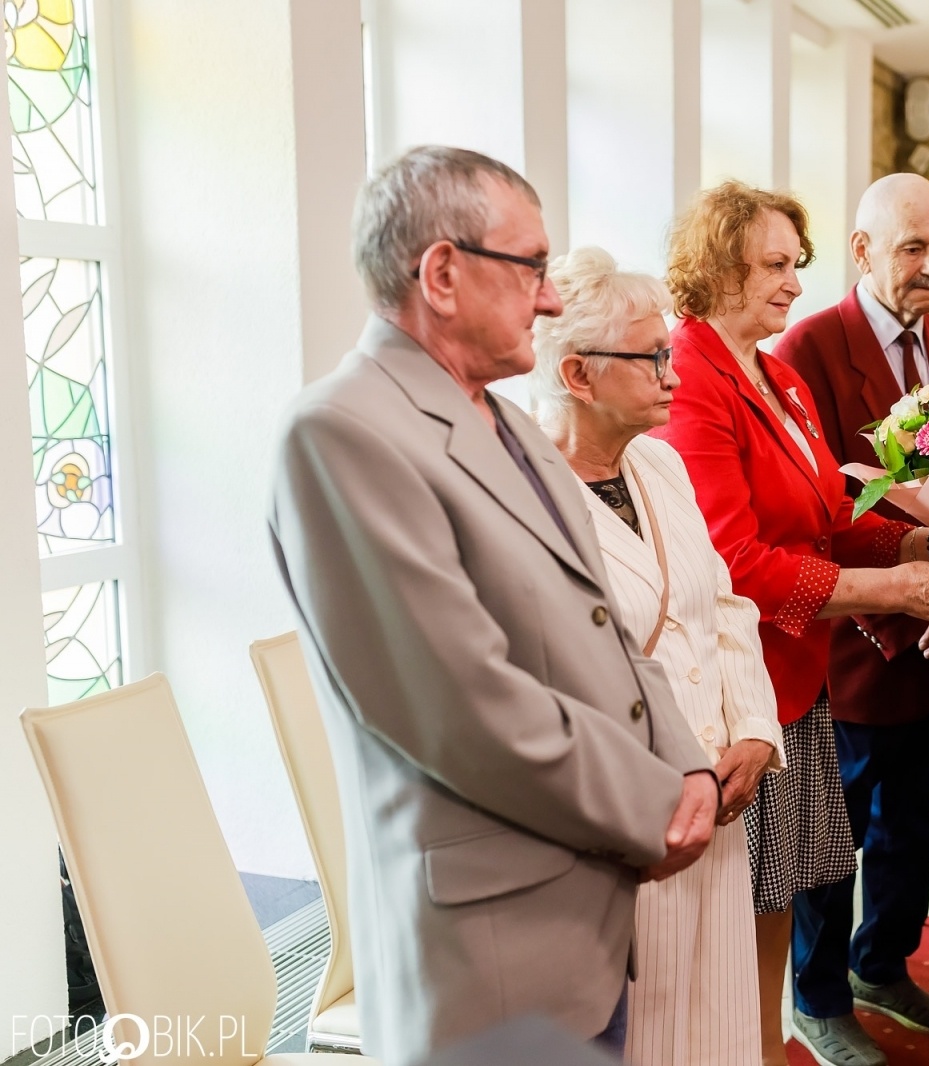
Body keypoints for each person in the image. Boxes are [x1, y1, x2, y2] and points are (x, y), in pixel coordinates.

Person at [268, 147, 718, 1066]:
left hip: (583, 911)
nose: (550, 300)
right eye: (532, 269)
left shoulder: (509, 420)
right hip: (489, 942)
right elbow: (461, 706)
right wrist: (654, 804)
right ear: (441, 273)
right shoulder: (341, 433)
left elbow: (607, 623)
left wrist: (688, 763)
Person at [655, 180, 929, 1066]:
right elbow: (735, 560)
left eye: (795, 265)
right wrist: (895, 591)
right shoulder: (693, 373)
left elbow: (830, 513)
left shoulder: (778, 373)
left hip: (793, 684)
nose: (794, 284)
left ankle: (771, 1045)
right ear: (717, 266)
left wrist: (918, 538)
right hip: (738, 689)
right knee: (746, 917)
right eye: (773, 265)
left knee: (782, 894)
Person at [534, 247, 786, 1065]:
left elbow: (725, 604)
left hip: (724, 785)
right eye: (650, 358)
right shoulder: (528, 494)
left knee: (717, 1017)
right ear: (577, 374)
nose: (673, 374)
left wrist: (753, 728)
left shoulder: (661, 461)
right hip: (632, 810)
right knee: (647, 1025)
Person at [771, 172, 929, 1064]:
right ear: (862, 251)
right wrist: (907, 603)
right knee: (836, 833)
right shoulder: (807, 351)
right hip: (858, 636)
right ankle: (817, 998)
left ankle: (882, 962)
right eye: (912, 248)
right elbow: (813, 509)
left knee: (915, 819)